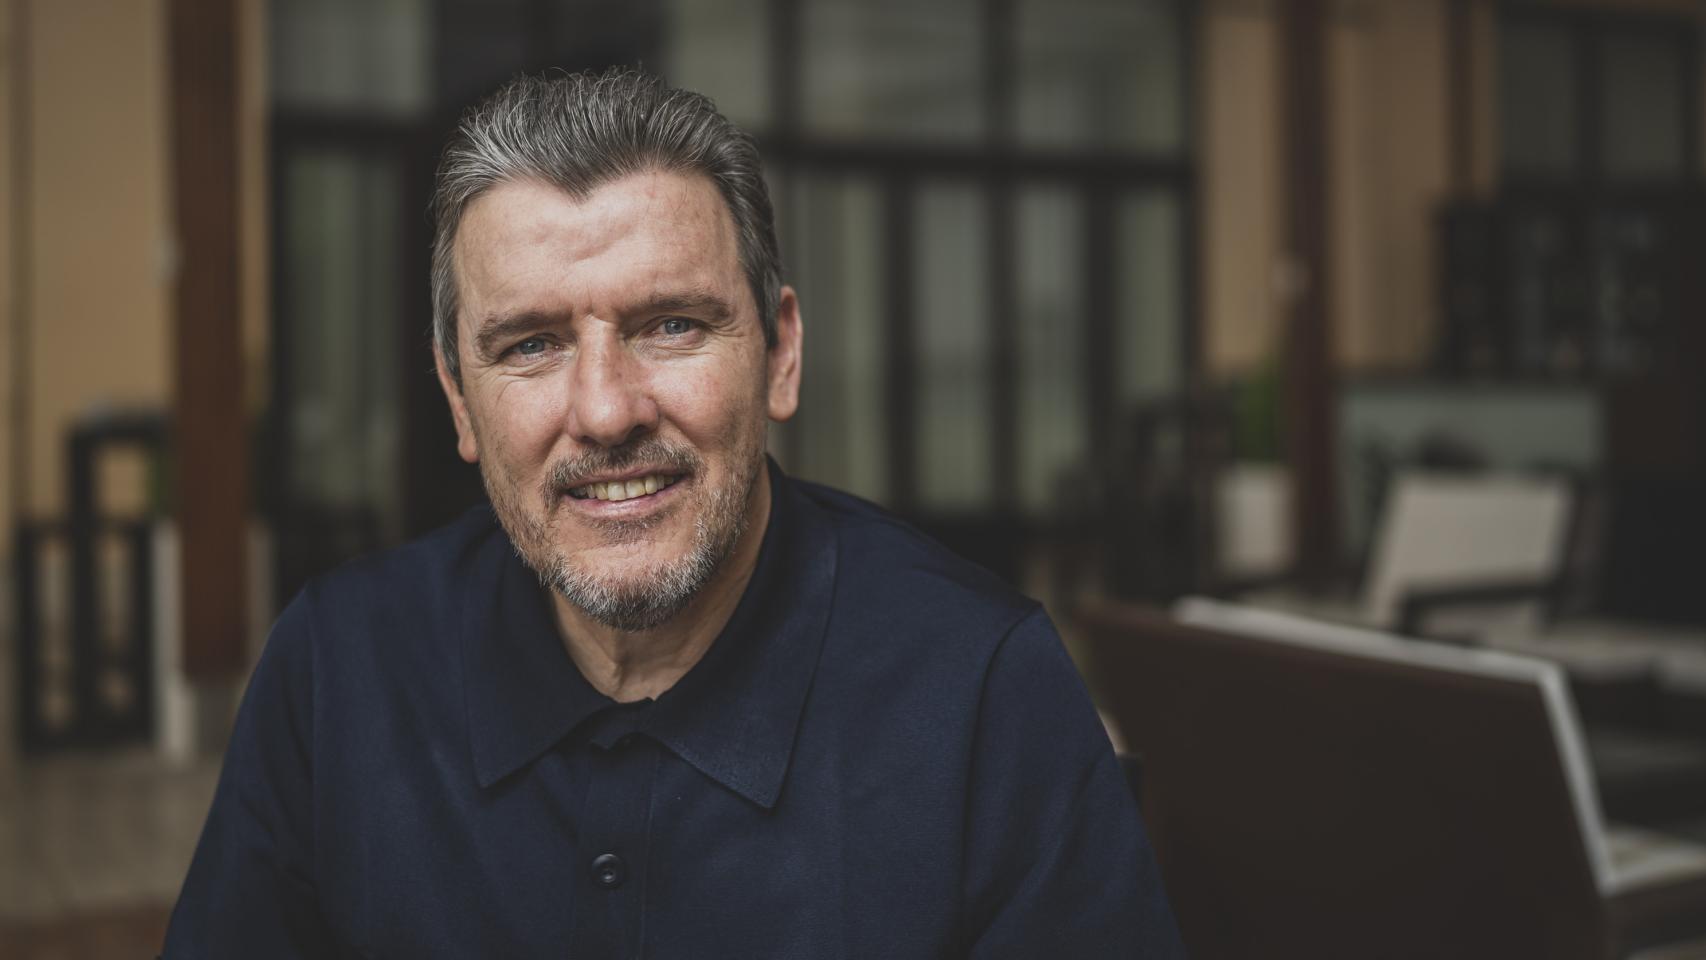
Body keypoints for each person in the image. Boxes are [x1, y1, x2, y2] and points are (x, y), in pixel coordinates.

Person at [163, 68, 1182, 958]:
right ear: (458, 400)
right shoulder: (337, 670)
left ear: (780, 354)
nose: (606, 411)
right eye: (530, 345)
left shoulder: (982, 688)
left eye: (671, 325)